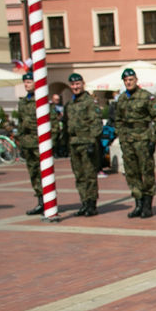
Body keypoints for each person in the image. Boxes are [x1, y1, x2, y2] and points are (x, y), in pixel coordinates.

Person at [113, 67, 156, 218]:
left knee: (146, 172)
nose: (128, 83)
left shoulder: (146, 97)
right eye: (126, 81)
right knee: (131, 173)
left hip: (143, 140)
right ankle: (138, 204)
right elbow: (118, 120)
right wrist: (121, 138)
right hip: (127, 141)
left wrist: (152, 140)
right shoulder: (121, 99)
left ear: (136, 80)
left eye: (131, 80)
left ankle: (147, 206)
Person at [64, 73, 103, 217]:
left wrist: (93, 141)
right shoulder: (70, 104)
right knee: (79, 175)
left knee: (89, 175)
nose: (75, 87)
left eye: (78, 84)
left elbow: (96, 122)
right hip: (74, 143)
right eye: (73, 84)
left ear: (83, 84)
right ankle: (84, 202)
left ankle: (92, 204)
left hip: (87, 143)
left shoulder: (89, 102)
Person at [15, 72, 45, 216]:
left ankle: (48, 200)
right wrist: (21, 143)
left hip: (40, 143)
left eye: (29, 81)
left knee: (43, 172)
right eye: (25, 82)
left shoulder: (41, 100)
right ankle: (40, 201)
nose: (27, 84)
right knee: (33, 173)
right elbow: (20, 124)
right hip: (28, 144)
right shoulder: (22, 103)